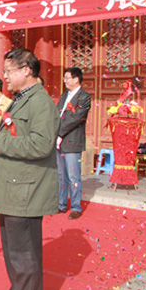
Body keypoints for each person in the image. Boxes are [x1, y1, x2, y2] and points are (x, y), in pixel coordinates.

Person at [0, 48, 59, 290]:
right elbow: (18, 135)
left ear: (27, 70)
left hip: (25, 191)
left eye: (9, 71)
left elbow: (41, 145)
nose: (5, 77)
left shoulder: (41, 102)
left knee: (24, 256)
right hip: (12, 188)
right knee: (13, 254)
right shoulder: (21, 99)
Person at [57, 67, 92, 220]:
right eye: (64, 78)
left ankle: (76, 206)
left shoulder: (84, 97)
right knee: (61, 175)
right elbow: (58, 114)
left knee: (73, 176)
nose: (64, 81)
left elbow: (76, 118)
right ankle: (61, 203)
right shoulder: (64, 95)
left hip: (72, 140)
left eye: (67, 78)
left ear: (76, 79)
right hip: (59, 140)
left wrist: (60, 133)